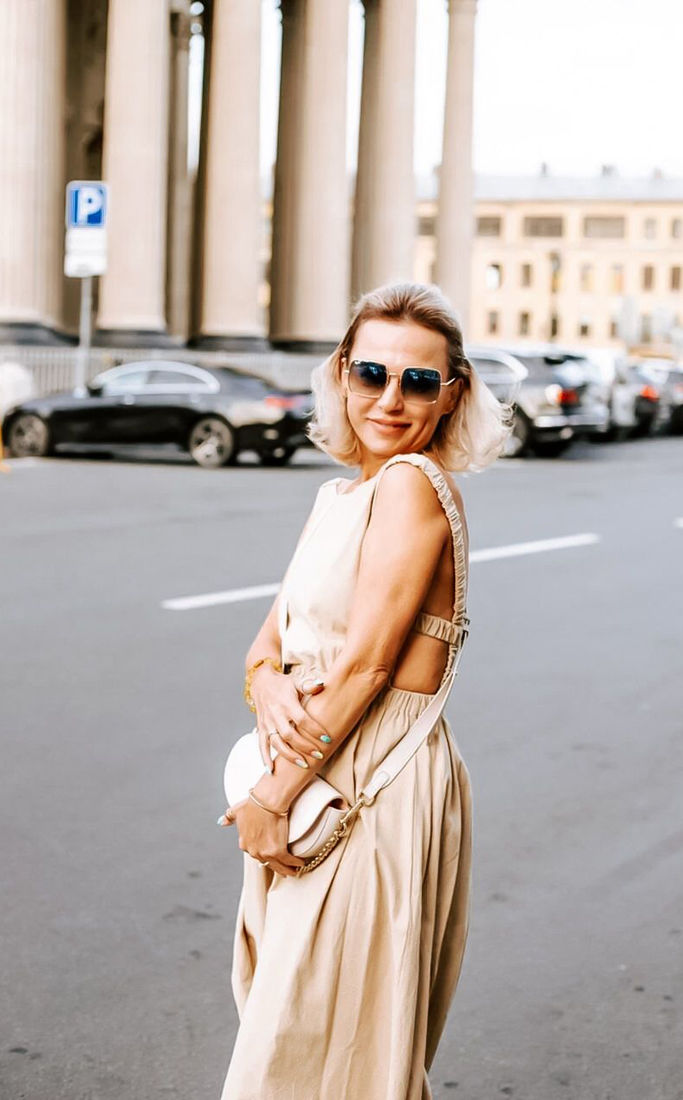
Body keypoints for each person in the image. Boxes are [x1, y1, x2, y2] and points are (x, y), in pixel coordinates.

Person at [218, 282, 511, 1099]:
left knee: (317, 1051)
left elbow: (368, 668)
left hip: (369, 781)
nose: (389, 399)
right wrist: (267, 685)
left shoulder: (411, 484)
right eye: (371, 373)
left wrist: (273, 795)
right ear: (341, 372)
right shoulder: (340, 494)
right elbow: (266, 644)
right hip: (319, 766)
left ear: (451, 394)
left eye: (417, 381)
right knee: (306, 1040)